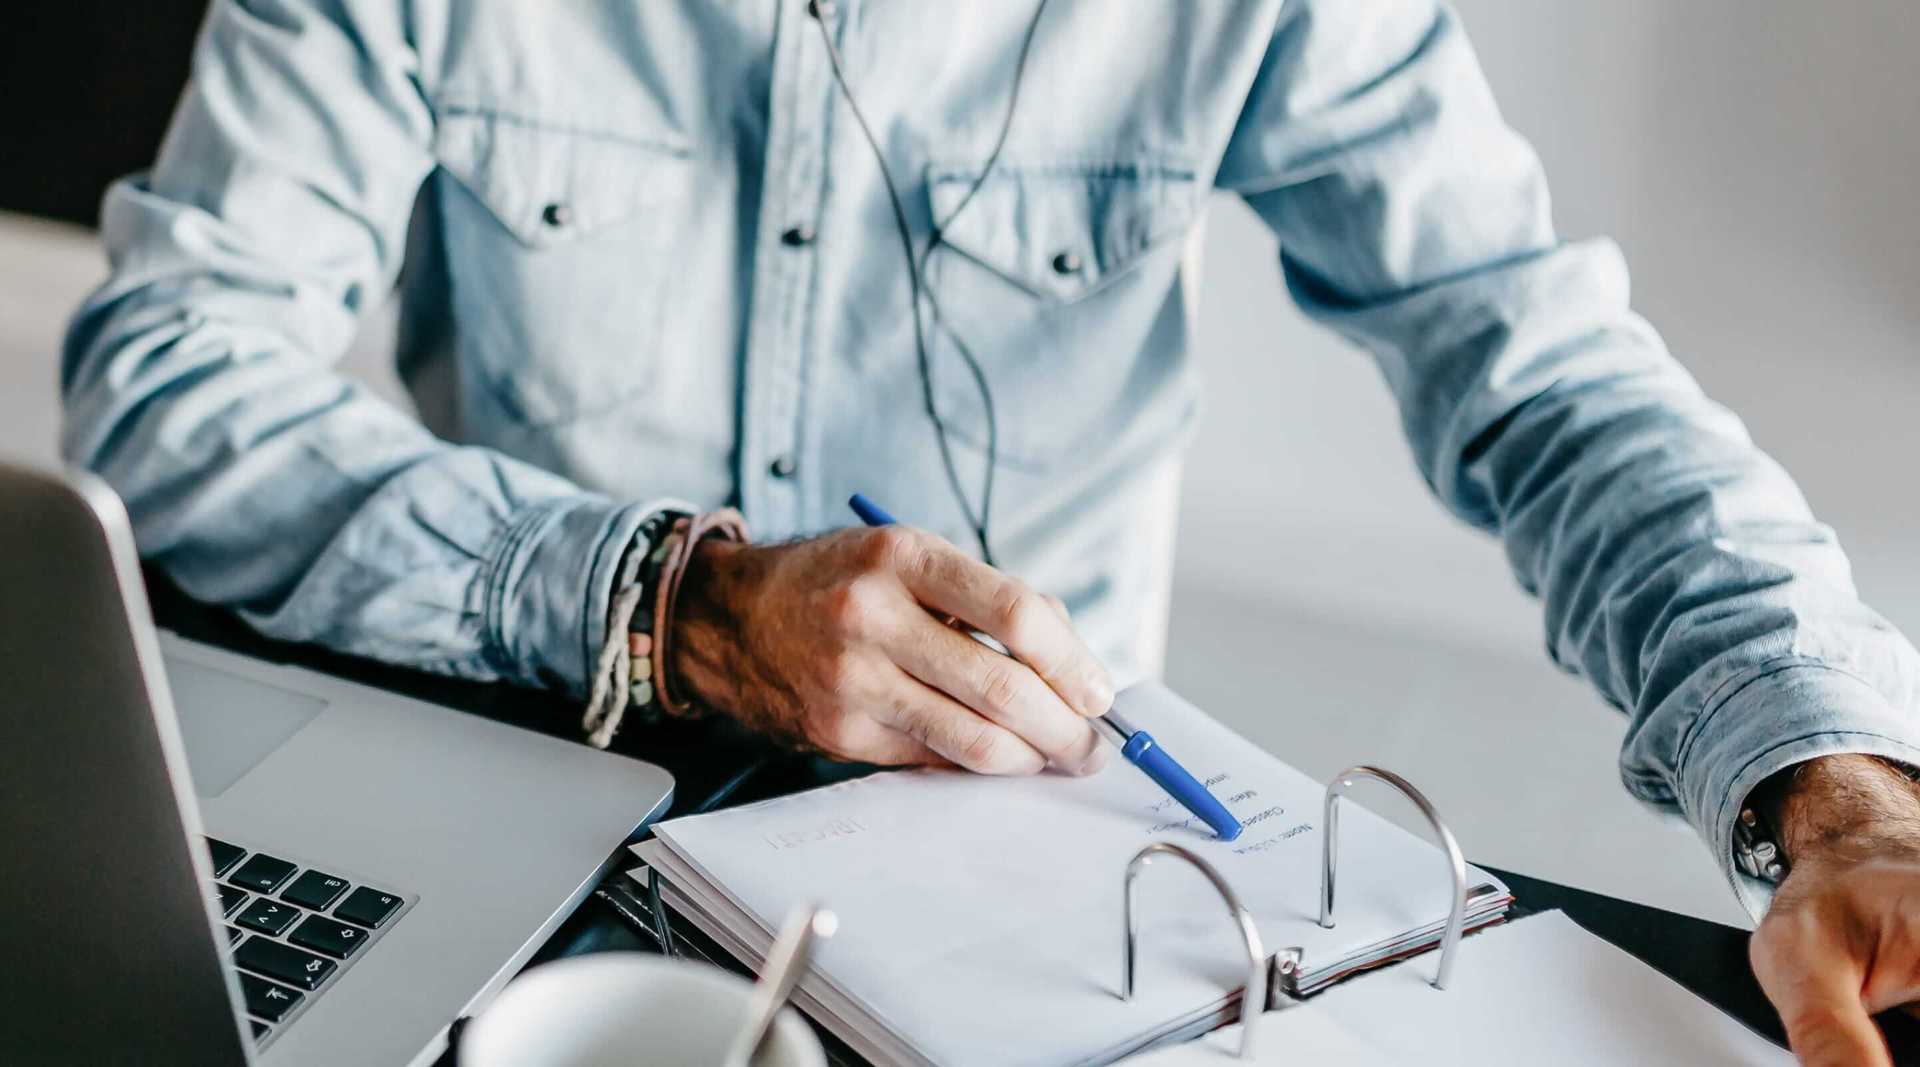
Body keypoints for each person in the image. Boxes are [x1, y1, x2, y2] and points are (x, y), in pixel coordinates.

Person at [59, 2, 1920, 1061]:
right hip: (542, 762)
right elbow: (165, 370)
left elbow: (1543, 380)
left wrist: (1848, 801)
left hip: (1059, 893)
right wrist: (671, 602)